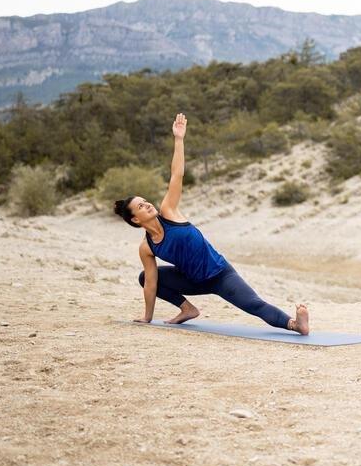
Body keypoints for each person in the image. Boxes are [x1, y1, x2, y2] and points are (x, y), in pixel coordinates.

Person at [113, 113, 310, 334]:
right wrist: (147, 318)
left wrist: (179, 139)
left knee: (253, 304)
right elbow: (150, 283)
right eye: (141, 206)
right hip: (191, 280)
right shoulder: (147, 247)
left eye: (146, 201)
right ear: (135, 220)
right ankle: (187, 309)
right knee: (144, 277)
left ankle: (295, 325)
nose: (148, 205)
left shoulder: (168, 211)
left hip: (219, 275)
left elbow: (177, 175)